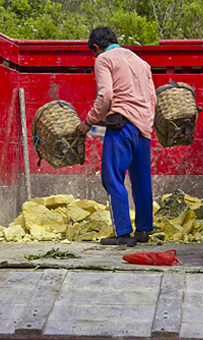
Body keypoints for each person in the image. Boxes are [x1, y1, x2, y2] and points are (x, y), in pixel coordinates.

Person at [74, 26, 157, 247]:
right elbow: (153, 99)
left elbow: (106, 96)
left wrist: (88, 122)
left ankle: (122, 233)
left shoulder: (104, 59)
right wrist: (146, 125)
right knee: (141, 180)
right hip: (143, 128)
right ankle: (143, 230)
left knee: (112, 178)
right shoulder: (141, 62)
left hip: (121, 127)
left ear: (95, 48)